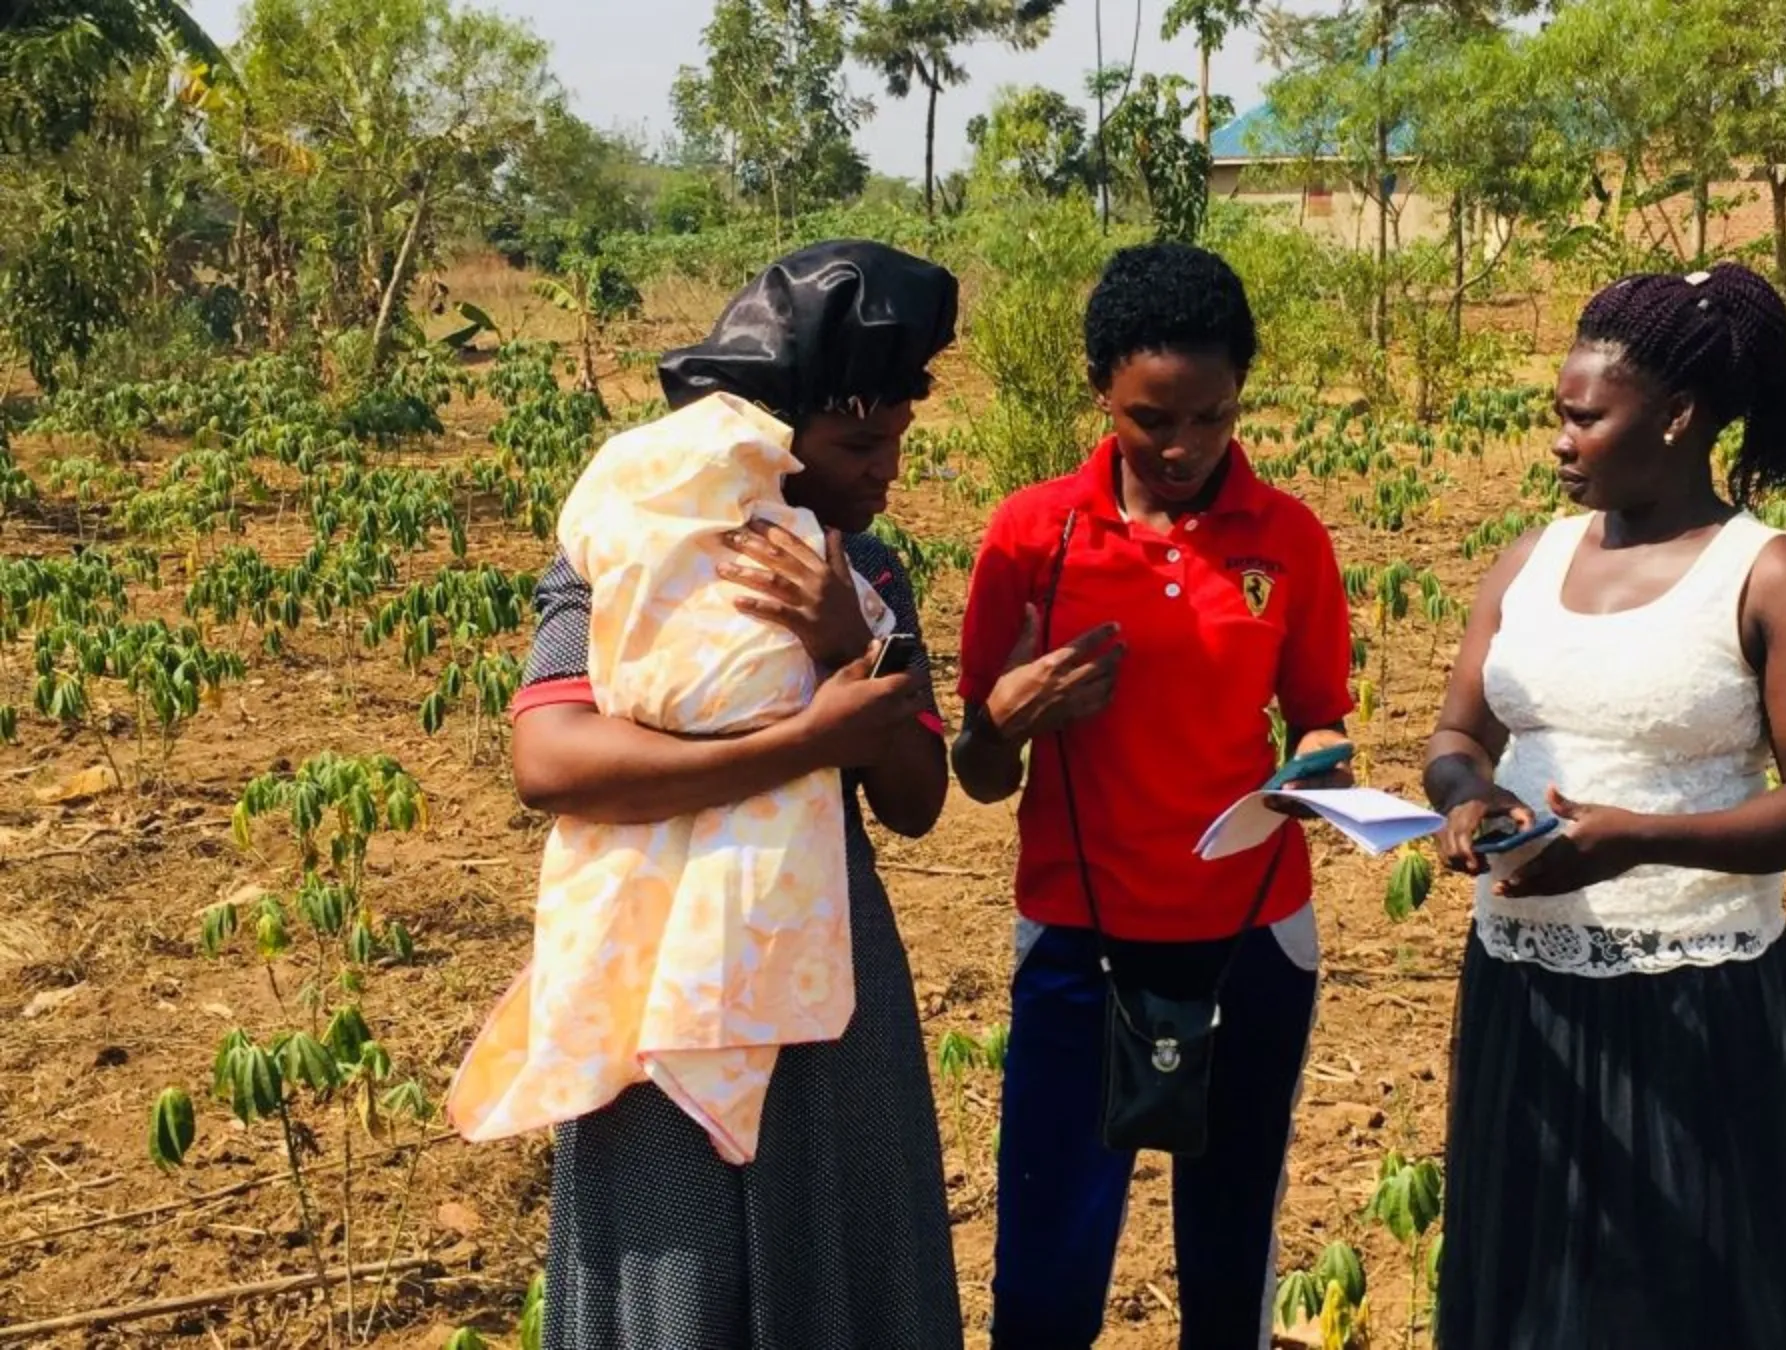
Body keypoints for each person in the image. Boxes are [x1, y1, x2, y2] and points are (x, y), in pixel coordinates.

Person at [497, 241, 964, 1349]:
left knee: (839, 1246)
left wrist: (860, 649)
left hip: (823, 969)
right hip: (650, 968)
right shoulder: (627, 550)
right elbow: (551, 761)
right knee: (676, 1261)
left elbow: (918, 800)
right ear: (763, 435)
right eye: (858, 443)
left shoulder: (871, 572)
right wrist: (806, 740)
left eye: (895, 441)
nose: (882, 472)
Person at [1423, 263, 1786, 1350]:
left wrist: (1632, 845)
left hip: (1692, 998)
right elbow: (1456, 736)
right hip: (1525, 985)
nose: (1560, 442)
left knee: (1674, 1296)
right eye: (1557, 416)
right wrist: (1468, 802)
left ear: (1675, 419)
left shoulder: (1769, 577)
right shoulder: (1530, 559)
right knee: (1530, 1286)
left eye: (1585, 418)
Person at [951, 241, 1357, 1349]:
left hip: (1253, 934)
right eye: (1150, 420)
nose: (1182, 448)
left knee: (1230, 1254)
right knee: (1047, 1257)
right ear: (1098, 392)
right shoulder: (1034, 539)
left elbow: (1321, 712)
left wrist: (1322, 769)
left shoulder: (1290, 540)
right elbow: (977, 775)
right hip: (1080, 939)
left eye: (1212, 418)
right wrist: (1008, 716)